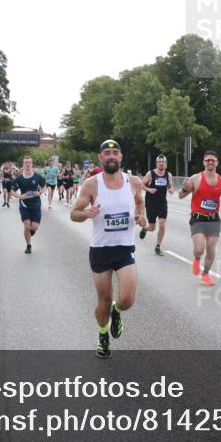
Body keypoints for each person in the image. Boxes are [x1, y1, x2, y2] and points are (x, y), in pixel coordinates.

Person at [70, 139, 147, 358]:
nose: (111, 156)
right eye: (107, 153)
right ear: (101, 158)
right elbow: (74, 214)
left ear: (121, 157)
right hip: (101, 249)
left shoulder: (133, 182)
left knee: (127, 300)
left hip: (124, 248)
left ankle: (117, 310)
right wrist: (86, 213)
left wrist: (141, 217)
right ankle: (103, 334)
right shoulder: (91, 185)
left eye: (115, 153)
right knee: (103, 300)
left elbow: (139, 203)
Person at [179, 151, 221, 286]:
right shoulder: (195, 178)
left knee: (211, 248)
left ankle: (205, 275)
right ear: (204, 162)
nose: (210, 162)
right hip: (198, 218)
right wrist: (184, 188)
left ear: (217, 163)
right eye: (208, 160)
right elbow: (181, 195)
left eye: (213, 160)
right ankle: (197, 258)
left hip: (214, 219)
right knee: (199, 249)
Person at [10, 156, 47, 254]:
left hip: (36, 205)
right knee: (27, 226)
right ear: (23, 164)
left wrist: (40, 193)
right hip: (24, 205)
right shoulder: (19, 178)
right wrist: (19, 196)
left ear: (32, 164)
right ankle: (28, 245)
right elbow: (12, 191)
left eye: (29, 162)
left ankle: (30, 233)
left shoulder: (37, 177)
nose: (27, 164)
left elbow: (44, 187)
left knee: (34, 227)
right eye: (26, 162)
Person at [139, 155, 174, 256]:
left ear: (166, 164)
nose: (161, 163)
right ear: (156, 163)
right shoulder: (151, 174)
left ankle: (158, 246)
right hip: (151, 203)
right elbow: (142, 185)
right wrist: (149, 189)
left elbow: (170, 186)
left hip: (162, 203)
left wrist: (171, 190)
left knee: (162, 225)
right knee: (152, 227)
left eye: (163, 162)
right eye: (159, 162)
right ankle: (145, 229)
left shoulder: (168, 175)